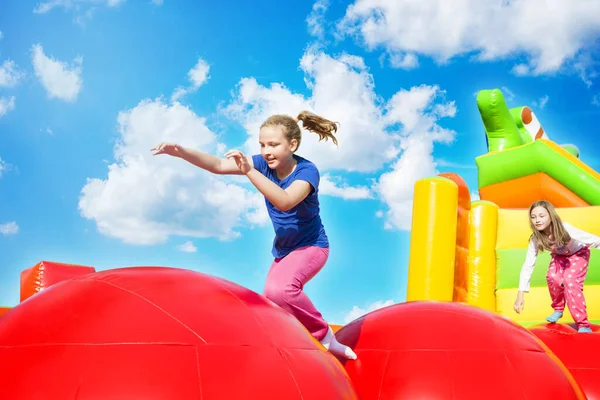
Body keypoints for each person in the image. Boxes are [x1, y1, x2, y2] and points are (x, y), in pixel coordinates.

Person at [151, 111, 357, 359]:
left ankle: (324, 335)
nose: (266, 151)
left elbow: (285, 201)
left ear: (292, 145)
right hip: (284, 250)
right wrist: (181, 151)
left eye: (273, 145)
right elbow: (217, 165)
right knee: (271, 301)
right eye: (262, 145)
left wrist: (249, 171)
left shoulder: (306, 171)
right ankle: (294, 342)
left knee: (281, 291)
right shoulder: (261, 164)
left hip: (312, 246)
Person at [513, 200, 600, 333]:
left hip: (578, 253)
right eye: (533, 217)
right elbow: (528, 265)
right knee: (552, 277)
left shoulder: (564, 229)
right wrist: (520, 295)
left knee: (570, 281)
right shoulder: (536, 238)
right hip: (560, 256)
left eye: (542, 216)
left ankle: (583, 323)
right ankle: (558, 308)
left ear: (550, 216)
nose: (537, 220)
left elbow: (593, 240)